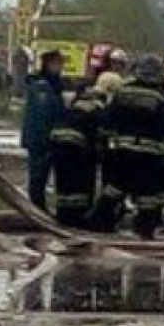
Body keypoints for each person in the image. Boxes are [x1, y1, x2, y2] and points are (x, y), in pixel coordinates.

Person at [90, 54, 164, 239]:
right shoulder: (159, 97)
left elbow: (108, 119)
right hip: (149, 155)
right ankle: (145, 230)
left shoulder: (123, 91)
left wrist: (103, 144)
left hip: (123, 151)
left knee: (115, 188)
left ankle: (99, 221)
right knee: (147, 194)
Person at [50, 80, 111, 229]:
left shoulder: (74, 106)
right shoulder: (97, 109)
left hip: (57, 142)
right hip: (77, 147)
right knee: (81, 184)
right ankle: (78, 217)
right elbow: (100, 135)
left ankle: (63, 215)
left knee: (64, 182)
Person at [21, 49, 65, 212]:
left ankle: (40, 206)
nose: (60, 67)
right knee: (38, 177)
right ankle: (36, 208)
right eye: (58, 64)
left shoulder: (53, 85)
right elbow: (44, 114)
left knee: (43, 176)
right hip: (40, 139)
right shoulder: (42, 86)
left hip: (45, 138)